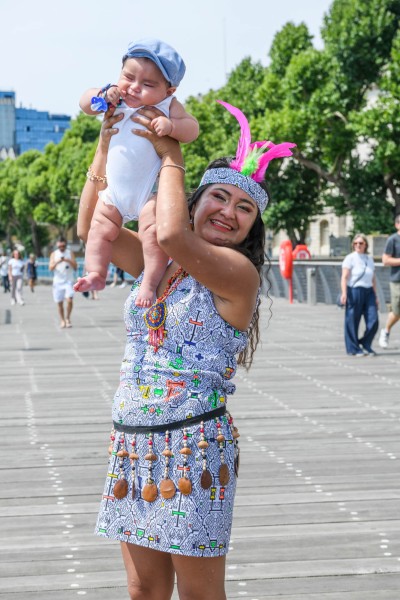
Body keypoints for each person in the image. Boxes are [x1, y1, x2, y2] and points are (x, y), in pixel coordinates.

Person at [77, 99, 294, 600]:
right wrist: (107, 143)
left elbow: (172, 232)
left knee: (199, 596)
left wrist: (169, 149)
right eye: (219, 197)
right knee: (143, 591)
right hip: (133, 446)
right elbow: (92, 227)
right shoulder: (165, 267)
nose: (229, 212)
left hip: (192, 450)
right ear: (194, 201)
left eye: (245, 209)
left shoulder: (237, 275)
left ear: (252, 226)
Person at [74, 38, 199, 307]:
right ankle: (96, 273)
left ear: (169, 90)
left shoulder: (168, 107)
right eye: (128, 77)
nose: (134, 87)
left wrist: (171, 126)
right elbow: (85, 103)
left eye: (148, 85)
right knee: (97, 230)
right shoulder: (114, 99)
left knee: (152, 236)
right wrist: (101, 95)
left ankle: (150, 283)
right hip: (113, 194)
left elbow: (192, 129)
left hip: (147, 194)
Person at [340, 233, 379, 356]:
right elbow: (344, 277)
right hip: (354, 290)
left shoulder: (369, 259)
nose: (358, 245)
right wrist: (344, 293)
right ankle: (353, 348)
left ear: (365, 245)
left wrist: (375, 295)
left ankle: (365, 343)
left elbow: (373, 278)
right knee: (352, 320)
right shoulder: (350, 258)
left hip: (368, 292)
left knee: (373, 320)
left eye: (361, 243)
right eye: (355, 243)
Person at [379, 214, 400, 348]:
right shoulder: (393, 240)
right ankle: (385, 331)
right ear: (397, 224)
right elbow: (385, 260)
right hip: (397, 280)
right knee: (397, 311)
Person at [49, 237, 77, 328]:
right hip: (58, 281)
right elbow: (51, 268)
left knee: (69, 300)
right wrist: (58, 261)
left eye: (63, 245)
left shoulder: (70, 253)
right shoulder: (54, 254)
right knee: (59, 303)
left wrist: (68, 260)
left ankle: (68, 318)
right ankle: (62, 320)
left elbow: (75, 267)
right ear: (57, 245)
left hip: (68, 281)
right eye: (60, 246)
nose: (62, 247)